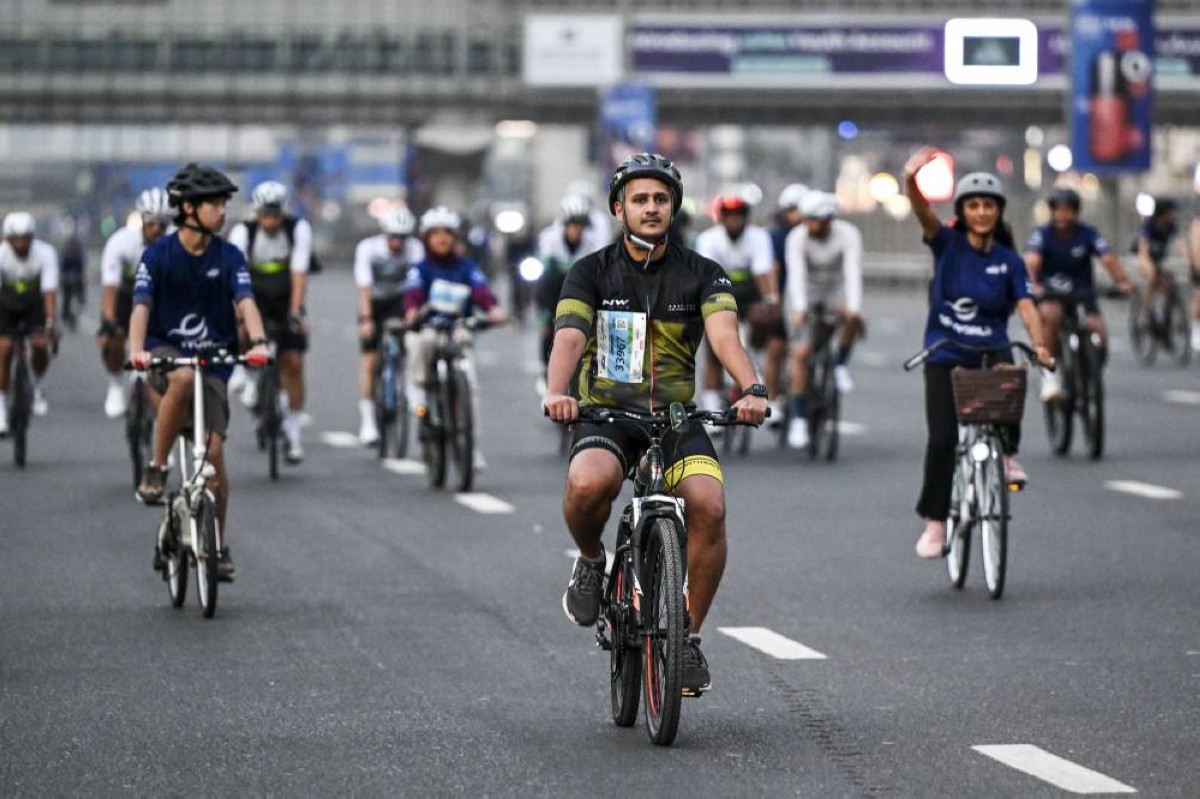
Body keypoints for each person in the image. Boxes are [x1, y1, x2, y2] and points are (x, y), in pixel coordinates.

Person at [542, 153, 769, 694]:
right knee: (587, 483)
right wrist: (557, 390)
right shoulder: (590, 271)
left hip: (674, 418)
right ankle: (594, 560)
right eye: (640, 199)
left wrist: (752, 387)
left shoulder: (702, 273)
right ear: (619, 208)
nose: (651, 208)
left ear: (674, 207)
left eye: (661, 199)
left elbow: (724, 338)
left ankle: (686, 637)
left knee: (709, 506)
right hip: (608, 415)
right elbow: (570, 337)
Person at [903, 148, 1053, 560]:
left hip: (990, 354)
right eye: (974, 205)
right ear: (963, 211)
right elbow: (920, 208)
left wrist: (1040, 346)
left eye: (988, 205)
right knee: (942, 440)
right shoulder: (946, 243)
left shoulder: (1009, 261)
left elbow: (1025, 306)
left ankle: (1007, 455)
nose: (982, 212)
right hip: (945, 354)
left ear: (998, 212)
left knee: (1013, 372)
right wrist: (911, 176)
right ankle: (936, 522)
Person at [129, 163, 270, 581]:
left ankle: (217, 547)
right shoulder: (158, 255)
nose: (223, 211)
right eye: (215, 203)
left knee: (215, 460)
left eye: (224, 203)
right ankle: (156, 467)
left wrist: (259, 343)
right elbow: (141, 306)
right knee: (182, 379)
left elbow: (245, 301)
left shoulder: (229, 256)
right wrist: (137, 351)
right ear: (188, 208)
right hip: (166, 353)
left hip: (215, 359)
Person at [403, 206, 508, 469]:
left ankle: (471, 449)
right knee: (422, 344)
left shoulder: (466, 267)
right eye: (435, 233)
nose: (442, 238)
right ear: (426, 238)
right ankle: (419, 393)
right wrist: (412, 312)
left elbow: (482, 291)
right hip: (429, 329)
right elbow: (413, 294)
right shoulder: (421, 269)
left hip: (457, 329)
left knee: (469, 383)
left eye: (447, 233)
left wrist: (493, 310)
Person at [228, 181, 313, 463]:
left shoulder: (297, 229)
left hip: (285, 296)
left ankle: (294, 433)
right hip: (253, 296)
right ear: (256, 212)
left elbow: (299, 273)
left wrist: (296, 312)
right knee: (241, 333)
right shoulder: (243, 233)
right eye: (265, 214)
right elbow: (235, 277)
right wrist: (240, 316)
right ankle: (247, 377)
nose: (271, 221)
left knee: (293, 363)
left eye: (276, 214)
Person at [1024, 187, 1132, 401]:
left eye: (1068, 210)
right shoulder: (1042, 235)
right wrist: (1034, 284)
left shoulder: (1088, 233)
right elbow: (1032, 261)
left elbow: (1107, 259)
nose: (1063, 215)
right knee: (1051, 315)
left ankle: (1089, 372)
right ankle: (1049, 375)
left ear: (1076, 212)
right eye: (1058, 210)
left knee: (1099, 335)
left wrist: (1123, 281)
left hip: (1083, 293)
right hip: (1052, 293)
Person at [782, 191, 864, 449]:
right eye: (808, 220)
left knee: (853, 318)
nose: (811, 225)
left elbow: (853, 273)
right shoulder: (796, 238)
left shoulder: (848, 235)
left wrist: (853, 308)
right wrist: (800, 309)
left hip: (834, 289)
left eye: (817, 220)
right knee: (801, 353)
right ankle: (798, 419)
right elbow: (796, 274)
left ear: (829, 219)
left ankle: (840, 365)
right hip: (804, 291)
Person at [694, 194, 780, 422]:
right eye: (729, 217)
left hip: (748, 293)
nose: (734, 222)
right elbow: (703, 278)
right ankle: (712, 406)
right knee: (713, 348)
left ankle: (753, 356)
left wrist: (770, 301)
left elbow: (763, 272)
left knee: (763, 318)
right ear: (721, 219)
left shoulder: (758, 237)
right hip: (715, 294)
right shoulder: (708, 239)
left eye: (738, 217)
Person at [97, 188, 173, 418]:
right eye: (152, 223)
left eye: (162, 224)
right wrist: (109, 320)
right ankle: (115, 385)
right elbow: (110, 288)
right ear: (142, 220)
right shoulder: (121, 242)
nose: (157, 229)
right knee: (112, 338)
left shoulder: (176, 243)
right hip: (126, 295)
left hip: (161, 297)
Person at [353, 206, 425, 445]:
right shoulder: (368, 248)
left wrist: (414, 315)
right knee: (370, 358)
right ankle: (368, 422)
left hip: (402, 301)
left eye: (402, 237)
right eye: (393, 237)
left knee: (411, 345)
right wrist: (366, 320)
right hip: (374, 301)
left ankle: (409, 389)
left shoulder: (415, 249)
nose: (397, 242)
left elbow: (418, 284)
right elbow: (363, 288)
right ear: (385, 234)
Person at [533, 195, 604, 394]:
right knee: (548, 324)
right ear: (563, 225)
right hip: (554, 289)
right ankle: (545, 367)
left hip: (582, 291)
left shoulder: (593, 242)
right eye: (571, 225)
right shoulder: (549, 239)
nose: (576, 230)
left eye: (580, 225)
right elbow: (544, 274)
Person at [0, 212, 59, 433]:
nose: (22, 244)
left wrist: (51, 322)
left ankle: (35, 385)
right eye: (16, 239)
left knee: (39, 345)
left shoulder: (45, 253)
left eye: (26, 238)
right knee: (4, 350)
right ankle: (1, 408)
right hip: (6, 306)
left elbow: (49, 292)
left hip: (34, 305)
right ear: (8, 239)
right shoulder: (1, 255)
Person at [1133, 198, 1198, 350]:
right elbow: (1143, 247)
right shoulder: (1149, 225)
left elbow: (1179, 242)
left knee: (1168, 281)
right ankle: (1146, 309)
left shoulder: (1171, 225)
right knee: (1152, 277)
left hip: (1160, 258)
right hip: (1146, 257)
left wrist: (1190, 259)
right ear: (1162, 214)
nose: (1171, 216)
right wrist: (1148, 265)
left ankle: (1167, 314)